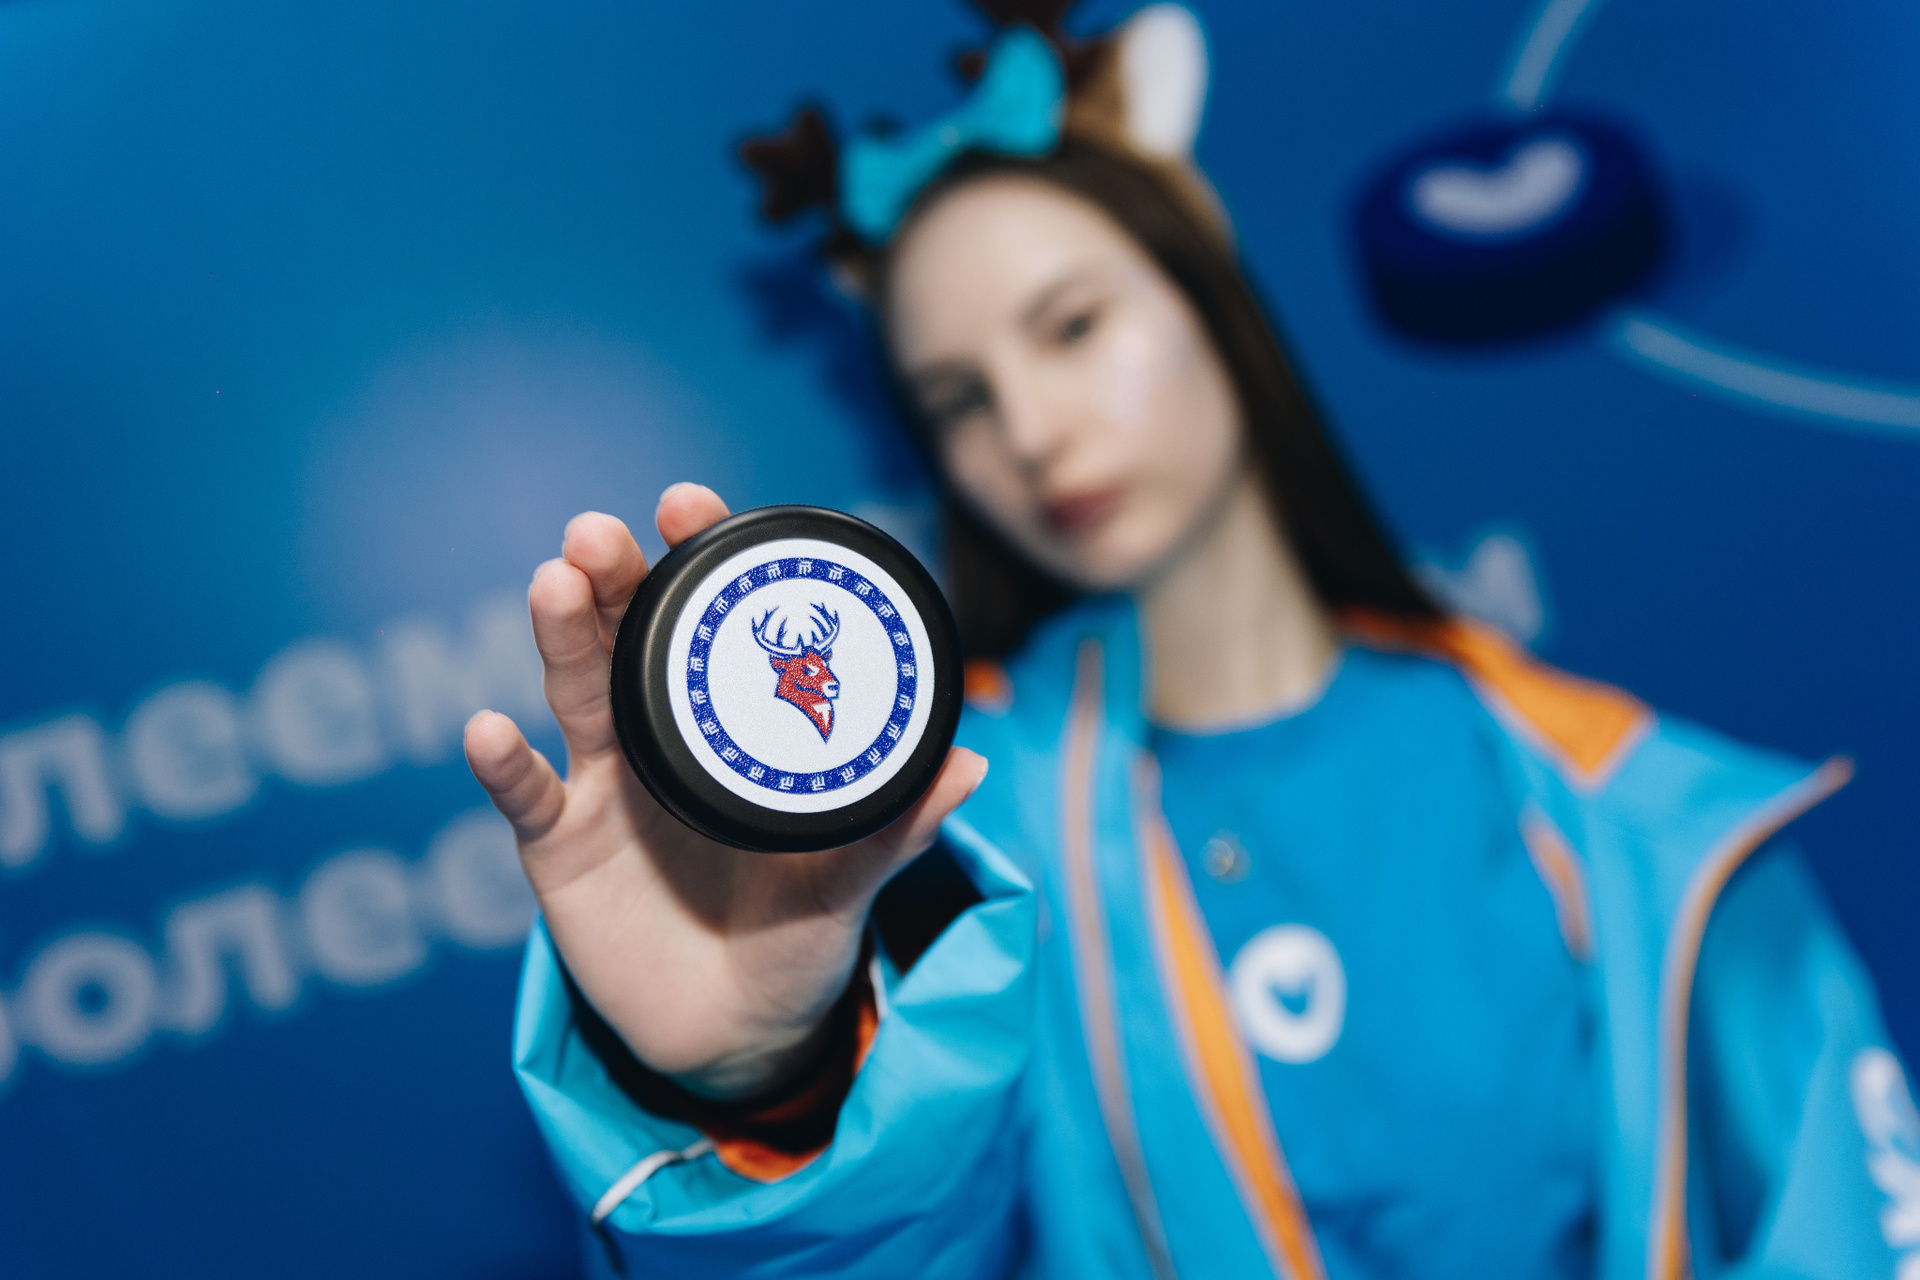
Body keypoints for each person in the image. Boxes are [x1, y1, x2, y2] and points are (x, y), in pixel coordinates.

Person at [462, 8, 1916, 1278]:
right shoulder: (928, 843)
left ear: (1208, 290)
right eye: (959, 399)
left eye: (1073, 328)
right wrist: (761, 1090)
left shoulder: (1630, 806)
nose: (1032, 432)